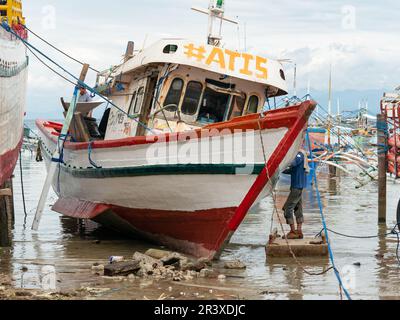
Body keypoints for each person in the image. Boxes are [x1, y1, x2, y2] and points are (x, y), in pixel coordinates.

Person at [282, 150, 310, 240]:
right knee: (298, 207)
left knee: (287, 208)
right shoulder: (299, 155)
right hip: (298, 186)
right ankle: (299, 231)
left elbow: (293, 163)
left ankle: (293, 231)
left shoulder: (299, 154)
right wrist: (280, 169)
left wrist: (284, 161)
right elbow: (291, 170)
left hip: (296, 186)